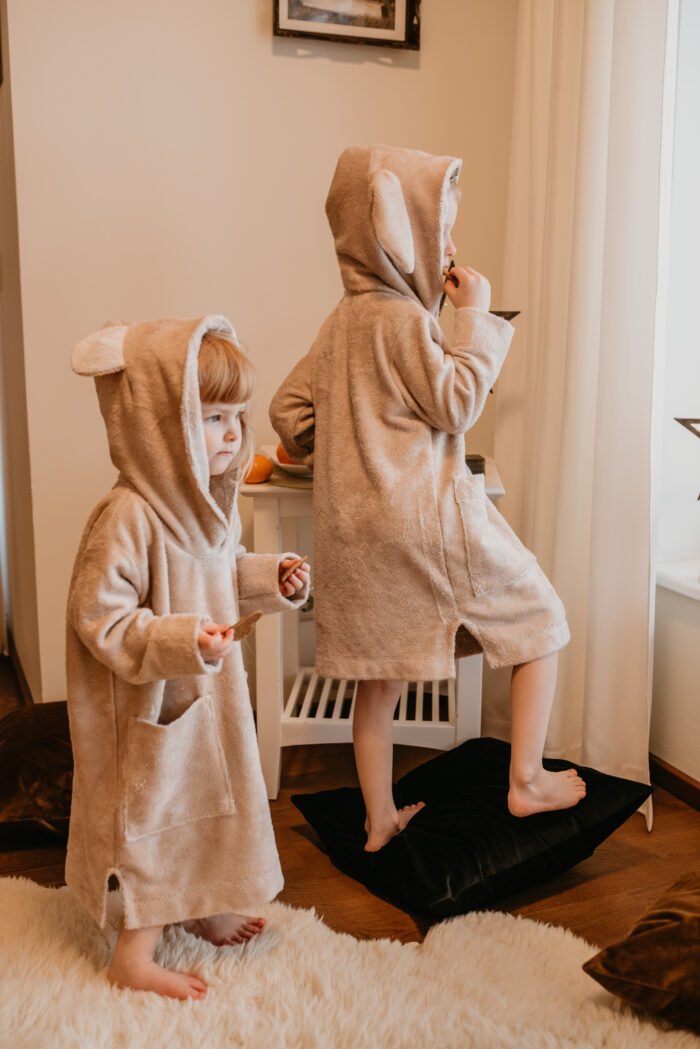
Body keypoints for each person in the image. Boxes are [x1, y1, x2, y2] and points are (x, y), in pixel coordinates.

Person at [270, 145, 585, 853]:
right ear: (395, 236)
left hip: (356, 534)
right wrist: (473, 316)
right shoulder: (405, 321)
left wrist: (346, 451)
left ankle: (379, 819)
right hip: (426, 519)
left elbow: (288, 413)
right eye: (440, 231)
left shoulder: (340, 322)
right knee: (542, 621)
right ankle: (527, 777)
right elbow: (458, 402)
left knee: (376, 677)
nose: (451, 247)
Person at [65, 317, 310, 998]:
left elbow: (223, 569)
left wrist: (272, 575)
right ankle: (133, 955)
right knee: (157, 815)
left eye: (237, 415)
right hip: (150, 702)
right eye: (210, 417)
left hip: (208, 694)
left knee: (214, 800)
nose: (232, 433)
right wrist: (178, 639)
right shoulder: (127, 516)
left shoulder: (210, 508)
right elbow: (99, 616)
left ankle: (203, 899)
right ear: (157, 424)